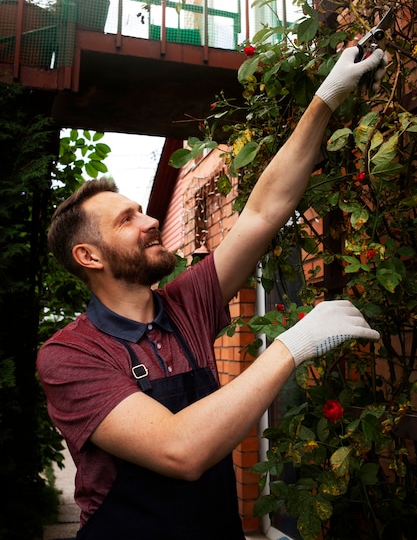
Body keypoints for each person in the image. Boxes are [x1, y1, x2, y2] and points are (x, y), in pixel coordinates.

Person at [37, 45, 385, 540]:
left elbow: (264, 210)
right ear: (89, 257)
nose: (152, 221)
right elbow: (179, 449)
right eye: (127, 219)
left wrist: (325, 100)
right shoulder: (70, 355)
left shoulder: (186, 303)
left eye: (143, 209)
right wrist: (290, 346)